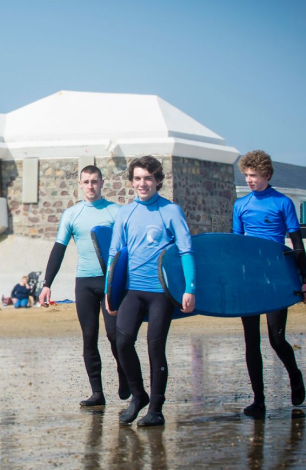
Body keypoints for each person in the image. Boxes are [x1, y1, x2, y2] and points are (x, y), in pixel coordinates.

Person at [105, 156, 195, 427]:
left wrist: (189, 288)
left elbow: (186, 250)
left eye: (147, 178)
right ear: (131, 181)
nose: (142, 183)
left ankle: (156, 408)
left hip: (161, 292)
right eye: (137, 178)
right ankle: (138, 395)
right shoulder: (125, 212)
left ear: (157, 180)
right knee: (122, 343)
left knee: (155, 348)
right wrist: (111, 292)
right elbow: (114, 254)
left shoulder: (170, 211)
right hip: (133, 290)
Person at [38, 165, 129, 408]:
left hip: (110, 282)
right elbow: (59, 249)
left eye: (95, 181)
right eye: (86, 182)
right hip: (85, 282)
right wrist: (47, 284)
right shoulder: (72, 214)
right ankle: (97, 393)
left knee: (114, 335)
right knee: (89, 337)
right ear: (79, 184)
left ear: (102, 183)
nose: (90, 186)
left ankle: (123, 372)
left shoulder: (116, 212)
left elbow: (126, 250)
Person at [234, 150, 306, 416]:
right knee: (251, 342)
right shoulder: (240, 205)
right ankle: (259, 400)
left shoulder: (282, 203)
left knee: (277, 338)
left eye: (254, 175)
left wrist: (303, 282)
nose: (249, 180)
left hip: (276, 278)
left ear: (266, 175)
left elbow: (297, 245)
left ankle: (294, 374)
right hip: (250, 279)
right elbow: (236, 246)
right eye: (246, 175)